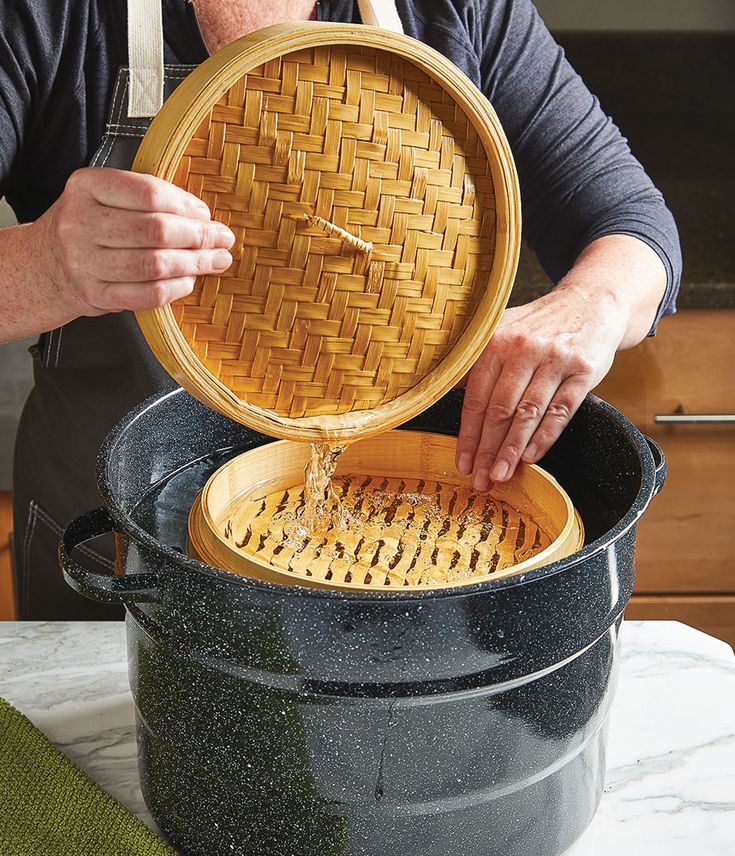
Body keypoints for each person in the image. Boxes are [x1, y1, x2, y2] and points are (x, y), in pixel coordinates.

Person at [0, 0, 681, 620]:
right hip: (118, 559)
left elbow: (631, 225)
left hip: (403, 557)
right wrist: (43, 264)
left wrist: (592, 301)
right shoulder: (48, 17)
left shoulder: (454, 10)